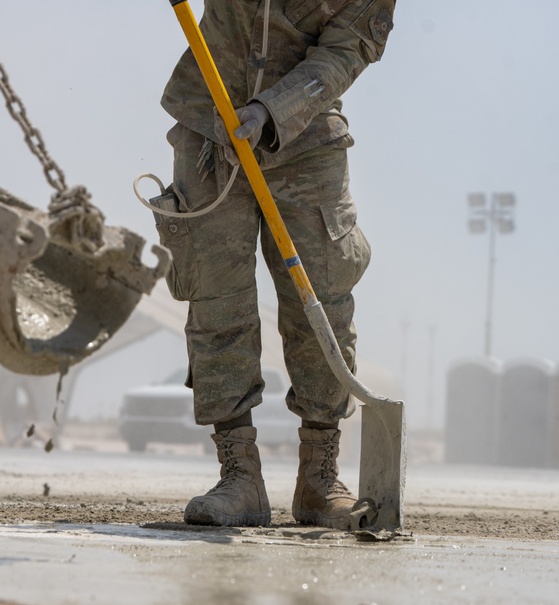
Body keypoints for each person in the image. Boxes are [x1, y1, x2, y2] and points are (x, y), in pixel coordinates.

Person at [155, 0, 396, 529]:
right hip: (209, 126)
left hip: (306, 141)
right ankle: (239, 477)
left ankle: (319, 477)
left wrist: (270, 110)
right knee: (217, 297)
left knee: (322, 299)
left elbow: (342, 52)